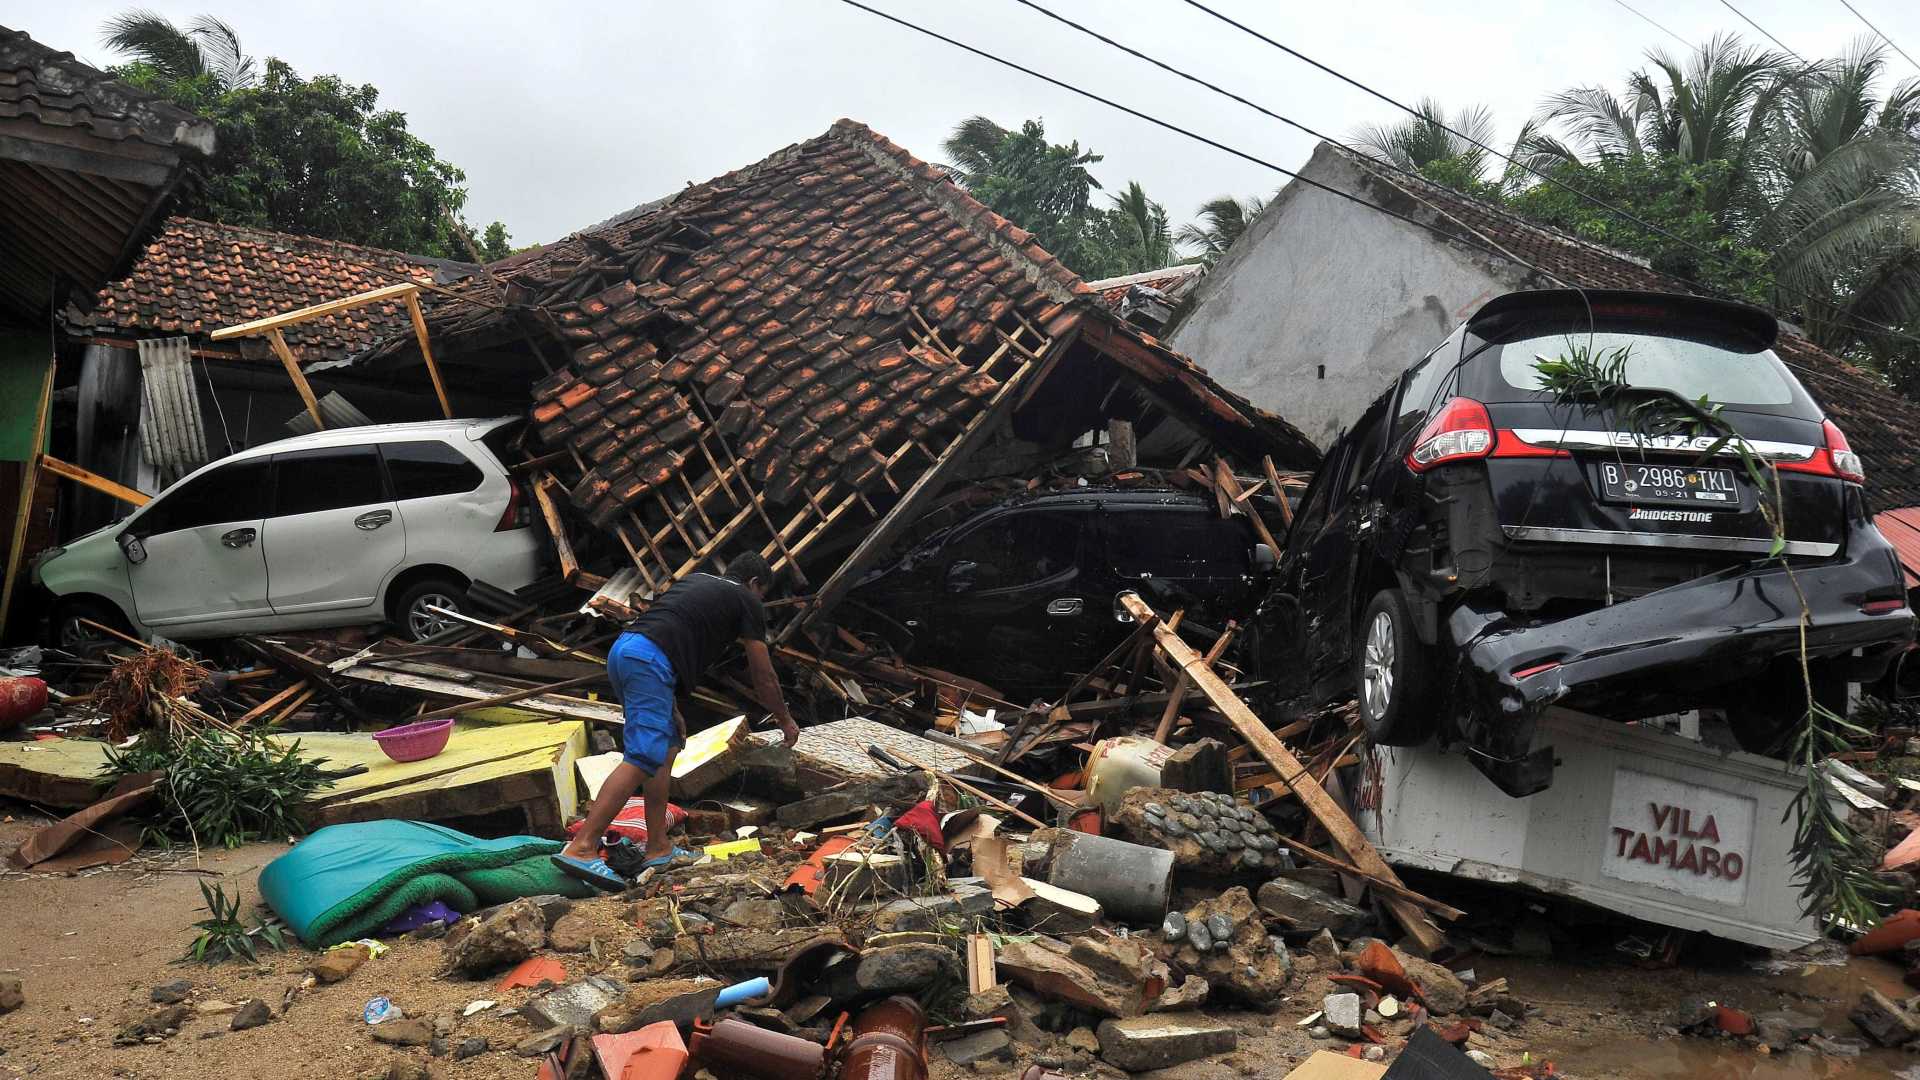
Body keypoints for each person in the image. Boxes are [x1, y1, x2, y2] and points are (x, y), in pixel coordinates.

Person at [554, 552, 799, 888]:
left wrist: (671, 707)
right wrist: (785, 719)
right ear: (755, 584)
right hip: (648, 661)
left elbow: (667, 631)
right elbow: (763, 673)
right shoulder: (746, 599)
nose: (760, 601)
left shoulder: (698, 580)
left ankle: (658, 848)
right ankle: (582, 847)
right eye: (762, 593)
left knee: (665, 747)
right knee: (642, 757)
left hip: (626, 650)